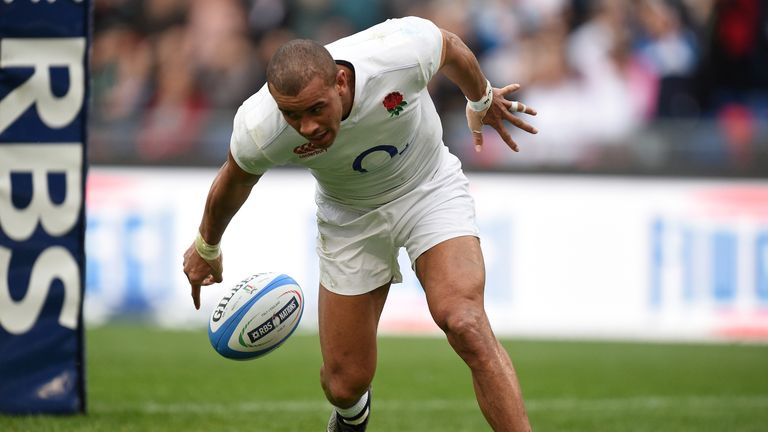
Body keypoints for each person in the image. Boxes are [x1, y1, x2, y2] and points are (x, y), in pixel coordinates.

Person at [182, 16, 537, 432]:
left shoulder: (398, 52)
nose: (307, 127)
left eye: (316, 109)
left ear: (341, 84)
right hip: (349, 217)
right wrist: (207, 245)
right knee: (344, 382)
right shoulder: (259, 126)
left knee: (465, 322)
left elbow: (452, 47)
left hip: (428, 187)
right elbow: (234, 179)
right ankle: (352, 417)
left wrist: (481, 99)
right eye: (292, 115)